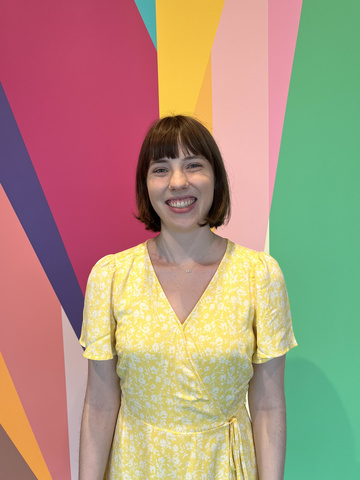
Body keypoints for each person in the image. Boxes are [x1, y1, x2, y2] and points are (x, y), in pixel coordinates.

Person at [79, 115, 297, 480]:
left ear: (216, 178)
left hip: (224, 467)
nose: (178, 182)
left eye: (193, 165)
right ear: (145, 185)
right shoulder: (112, 277)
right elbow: (100, 404)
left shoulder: (260, 276)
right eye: (161, 169)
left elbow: (269, 404)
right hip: (137, 467)